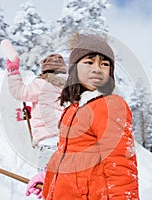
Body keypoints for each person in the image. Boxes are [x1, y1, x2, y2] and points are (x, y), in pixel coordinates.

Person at [26, 33, 139, 199]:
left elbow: (120, 166)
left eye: (104, 64)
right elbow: (65, 156)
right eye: (89, 62)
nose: (97, 68)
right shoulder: (72, 109)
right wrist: (49, 180)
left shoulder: (110, 106)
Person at [5, 53, 67, 167]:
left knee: (46, 179)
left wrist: (13, 71)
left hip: (47, 142)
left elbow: (19, 92)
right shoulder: (70, 89)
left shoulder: (42, 84)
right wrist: (33, 112)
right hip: (66, 142)